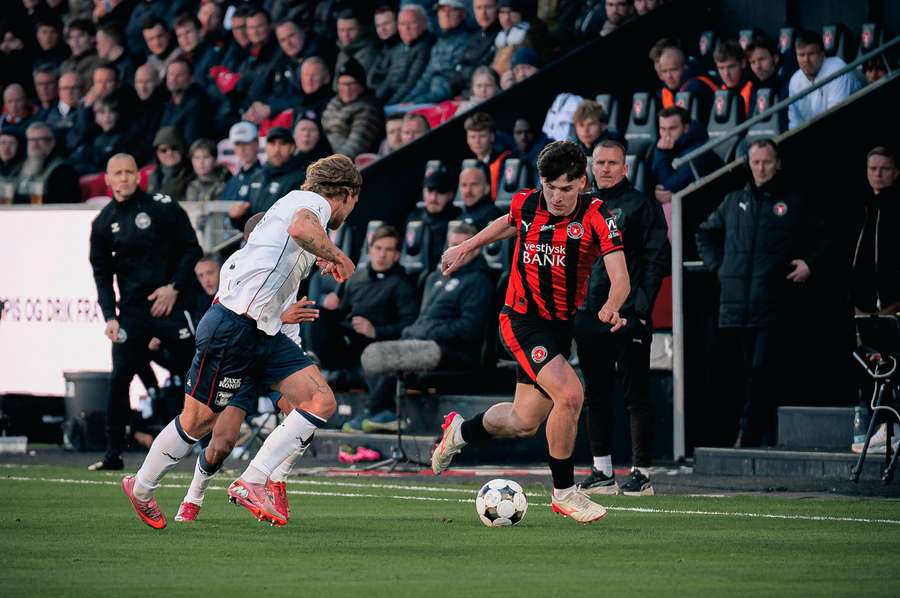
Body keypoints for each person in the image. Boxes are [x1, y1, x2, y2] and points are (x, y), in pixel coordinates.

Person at [121, 154, 362, 529]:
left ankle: (253, 480)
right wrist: (338, 256)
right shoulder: (310, 203)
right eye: (354, 201)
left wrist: (322, 258)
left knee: (320, 400)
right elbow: (301, 229)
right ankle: (141, 486)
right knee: (199, 422)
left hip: (264, 331)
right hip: (234, 327)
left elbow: (289, 246)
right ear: (347, 193)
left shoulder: (292, 205)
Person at [433, 140, 629, 523]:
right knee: (571, 394)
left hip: (558, 328)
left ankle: (460, 431)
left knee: (524, 421)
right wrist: (466, 247)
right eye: (550, 187)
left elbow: (620, 276)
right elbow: (507, 222)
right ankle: (565, 493)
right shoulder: (528, 202)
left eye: (566, 189)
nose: (556, 197)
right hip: (519, 319)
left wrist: (612, 305)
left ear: (582, 183)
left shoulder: (597, 216)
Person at [696, 139, 823, 447]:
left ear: (777, 163)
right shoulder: (733, 201)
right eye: (756, 162)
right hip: (733, 306)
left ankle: (753, 436)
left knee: (762, 372)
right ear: (748, 165)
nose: (762, 168)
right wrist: (719, 267)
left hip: (772, 304)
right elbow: (703, 233)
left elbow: (822, 237)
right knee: (737, 376)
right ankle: (740, 436)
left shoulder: (793, 202)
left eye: (767, 162)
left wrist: (810, 263)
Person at [88, 153, 203, 471]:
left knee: (192, 373)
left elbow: (192, 247)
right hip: (133, 312)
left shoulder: (162, 206)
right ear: (108, 179)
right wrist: (109, 316)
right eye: (117, 173)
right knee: (120, 377)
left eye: (129, 172)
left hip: (170, 303)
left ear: (139, 176)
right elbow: (102, 275)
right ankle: (113, 453)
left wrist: (174, 287)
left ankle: (203, 443)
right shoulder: (102, 223)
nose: (124, 178)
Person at [576, 140, 670, 496]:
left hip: (627, 316)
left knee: (636, 395)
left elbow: (656, 261)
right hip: (588, 315)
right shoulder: (582, 206)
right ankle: (602, 471)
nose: (605, 168)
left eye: (613, 162)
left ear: (625, 168)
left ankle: (642, 473)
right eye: (599, 162)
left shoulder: (641, 206)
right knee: (595, 394)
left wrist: (640, 312)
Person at [360, 222, 495, 433]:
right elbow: (423, 320)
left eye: (461, 246)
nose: (456, 251)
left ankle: (374, 412)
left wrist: (426, 333)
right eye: (453, 246)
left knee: (387, 355)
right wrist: (414, 332)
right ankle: (383, 414)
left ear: (474, 248)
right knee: (376, 353)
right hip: (425, 342)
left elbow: (469, 328)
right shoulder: (435, 278)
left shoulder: (479, 281)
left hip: (454, 351)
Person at [314, 225, 417, 422]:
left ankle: (375, 413)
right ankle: (317, 364)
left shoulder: (402, 284)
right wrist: (331, 307)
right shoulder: (355, 279)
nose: (382, 255)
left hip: (380, 346)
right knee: (318, 314)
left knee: (374, 361)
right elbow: (342, 313)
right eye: (378, 248)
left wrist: (375, 331)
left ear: (397, 255)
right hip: (351, 344)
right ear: (369, 251)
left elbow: (410, 325)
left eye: (388, 250)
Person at [228, 126, 307, 231]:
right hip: (257, 243)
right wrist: (237, 218)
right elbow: (250, 223)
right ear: (266, 147)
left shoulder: (300, 179)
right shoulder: (257, 176)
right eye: (272, 144)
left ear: (292, 147)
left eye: (282, 144)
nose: (277, 150)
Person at [852, 147, 899, 316]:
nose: (878, 174)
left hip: (893, 308)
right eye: (873, 169)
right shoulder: (860, 208)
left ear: (895, 173)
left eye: (884, 169)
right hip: (859, 309)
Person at [787, 29, 861, 130]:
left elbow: (835, 117)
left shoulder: (837, 68)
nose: (806, 60)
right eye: (801, 55)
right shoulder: (794, 80)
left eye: (811, 54)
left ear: (822, 54)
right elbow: (795, 123)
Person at [403, 0, 472, 104]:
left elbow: (451, 84)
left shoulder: (467, 41)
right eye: (442, 10)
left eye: (451, 10)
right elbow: (425, 79)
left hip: (446, 101)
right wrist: (406, 100)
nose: (446, 15)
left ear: (462, 14)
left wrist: (418, 101)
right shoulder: (439, 43)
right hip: (430, 97)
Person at [650, 106, 721, 206]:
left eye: (672, 128)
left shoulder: (699, 151)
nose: (666, 135)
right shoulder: (665, 148)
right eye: (663, 129)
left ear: (686, 128)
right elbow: (653, 180)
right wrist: (654, 191)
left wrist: (661, 153)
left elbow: (668, 188)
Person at [321, 58, 382, 158]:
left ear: (361, 85)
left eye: (351, 84)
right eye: (342, 84)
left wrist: (331, 164)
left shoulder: (368, 109)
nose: (347, 89)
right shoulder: (334, 103)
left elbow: (354, 149)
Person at [406, 163, 460, 273]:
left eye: (440, 192)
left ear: (450, 195)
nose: (433, 198)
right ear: (423, 192)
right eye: (430, 191)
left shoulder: (457, 218)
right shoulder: (414, 217)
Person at [377, 4, 434, 105]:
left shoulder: (425, 46)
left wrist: (388, 105)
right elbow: (389, 82)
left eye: (412, 23)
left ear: (424, 23)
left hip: (407, 102)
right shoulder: (401, 47)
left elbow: (411, 83)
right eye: (402, 24)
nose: (407, 28)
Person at [650, 38, 716, 124]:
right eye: (664, 70)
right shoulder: (666, 91)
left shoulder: (697, 86)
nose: (667, 75)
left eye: (672, 69)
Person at [14, 121, 80, 204]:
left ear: (52, 142)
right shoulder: (21, 167)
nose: (34, 145)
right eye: (30, 140)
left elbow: (63, 203)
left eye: (39, 140)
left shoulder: (62, 170)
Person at [450, 0, 500, 97]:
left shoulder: (501, 37)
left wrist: (463, 71)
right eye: (479, 8)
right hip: (462, 95)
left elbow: (483, 72)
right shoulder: (474, 36)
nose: (483, 13)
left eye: (488, 7)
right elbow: (453, 76)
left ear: (497, 8)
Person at [160, 57, 210, 146]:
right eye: (171, 74)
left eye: (179, 75)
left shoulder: (197, 105)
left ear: (191, 78)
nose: (173, 79)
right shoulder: (165, 104)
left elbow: (191, 142)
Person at [465, 111, 511, 199]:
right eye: (472, 137)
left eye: (482, 136)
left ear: (492, 137)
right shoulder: (470, 165)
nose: (477, 142)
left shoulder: (504, 162)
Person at [333, 9, 379, 91]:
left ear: (361, 29)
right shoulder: (342, 52)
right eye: (341, 30)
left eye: (350, 30)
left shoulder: (368, 53)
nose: (345, 35)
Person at [147, 126, 191, 203]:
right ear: (157, 153)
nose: (169, 153)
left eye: (174, 148)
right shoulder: (154, 177)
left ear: (182, 150)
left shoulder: (193, 175)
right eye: (163, 150)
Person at [221, 121, 261, 203]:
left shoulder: (267, 177)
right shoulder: (231, 181)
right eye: (237, 144)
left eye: (246, 143)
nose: (242, 149)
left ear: (257, 143)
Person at [714, 39, 753, 116]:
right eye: (721, 68)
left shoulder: (755, 87)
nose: (726, 73)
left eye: (731, 67)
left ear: (743, 63)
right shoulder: (718, 90)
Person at [185, 138, 229, 203]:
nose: (201, 162)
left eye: (206, 157)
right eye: (197, 158)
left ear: (215, 160)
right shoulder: (189, 184)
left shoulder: (224, 184)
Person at [44, 70, 82, 141]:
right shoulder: (50, 112)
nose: (69, 92)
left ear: (83, 89)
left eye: (74, 88)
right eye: (65, 88)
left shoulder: (89, 111)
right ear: (59, 91)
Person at [60, 19, 101, 85]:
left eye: (80, 36)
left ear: (93, 38)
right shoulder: (65, 65)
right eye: (72, 37)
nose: (75, 41)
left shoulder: (99, 63)